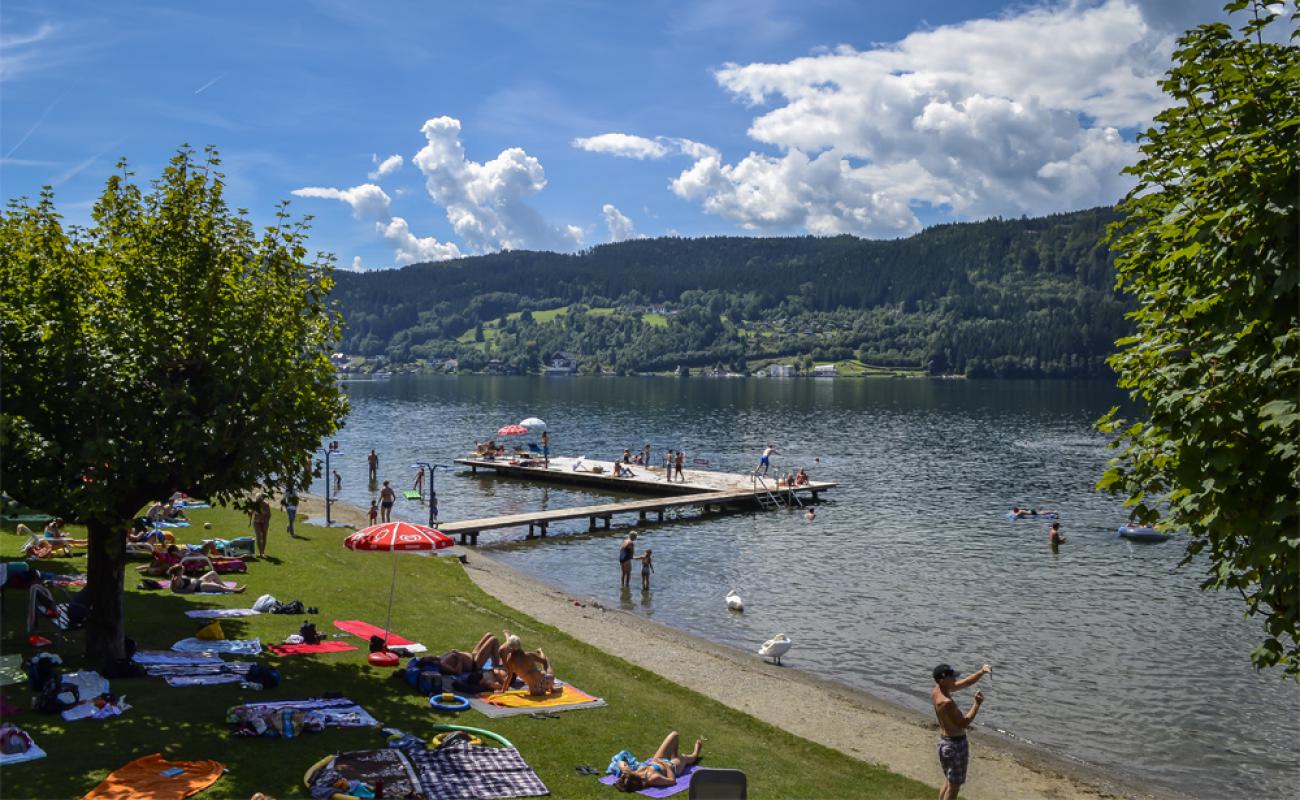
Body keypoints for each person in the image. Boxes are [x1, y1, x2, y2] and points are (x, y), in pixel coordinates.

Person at [931, 662, 992, 800]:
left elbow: (965, 683)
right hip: (954, 745)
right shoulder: (946, 702)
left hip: (945, 742)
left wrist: (981, 672)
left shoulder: (937, 690)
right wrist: (976, 704)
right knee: (954, 787)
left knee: (949, 782)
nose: (955, 679)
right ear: (942, 680)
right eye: (952, 677)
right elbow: (963, 723)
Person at [613, 732, 706, 793]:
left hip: (657, 759)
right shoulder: (653, 778)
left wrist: (623, 767)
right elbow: (672, 781)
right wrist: (666, 765)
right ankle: (695, 752)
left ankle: (675, 754)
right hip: (672, 767)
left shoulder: (634, 773)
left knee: (674, 735)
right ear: (633, 781)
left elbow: (621, 762)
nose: (624, 774)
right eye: (625, 776)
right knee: (687, 758)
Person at [168, 564, 244, 594]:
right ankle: (236, 590)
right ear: (178, 571)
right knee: (219, 588)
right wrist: (188, 591)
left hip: (199, 581)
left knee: (212, 573)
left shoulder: (180, 576)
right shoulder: (175, 580)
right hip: (199, 587)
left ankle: (227, 588)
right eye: (182, 570)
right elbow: (174, 590)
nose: (183, 571)